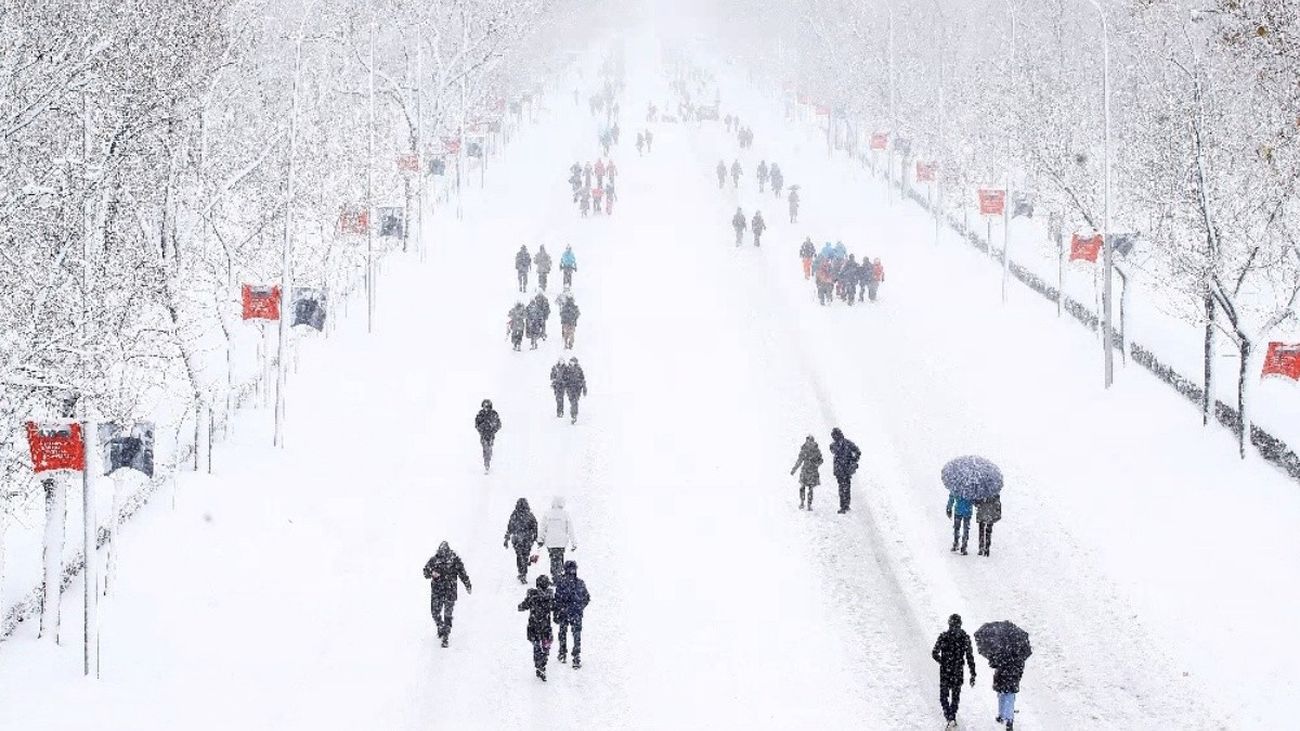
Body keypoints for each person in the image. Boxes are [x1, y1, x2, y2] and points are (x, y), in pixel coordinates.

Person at [932, 613, 977, 728]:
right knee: (955, 697)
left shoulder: (944, 636)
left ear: (949, 623)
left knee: (944, 696)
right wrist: (973, 673)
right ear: (960, 624)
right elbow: (970, 657)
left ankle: (949, 717)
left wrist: (943, 662)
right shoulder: (965, 637)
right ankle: (952, 716)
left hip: (945, 671)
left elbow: (934, 653)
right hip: (958, 670)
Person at [423, 541, 472, 648]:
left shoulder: (454, 560)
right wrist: (431, 573)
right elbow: (425, 572)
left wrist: (467, 584)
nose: (443, 554)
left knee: (448, 615)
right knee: (435, 612)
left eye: (445, 552)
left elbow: (462, 573)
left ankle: (446, 636)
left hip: (450, 591)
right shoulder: (434, 560)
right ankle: (440, 626)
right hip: (437, 592)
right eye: (441, 552)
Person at [517, 574, 555, 681]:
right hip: (546, 627)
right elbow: (555, 607)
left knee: (536, 647)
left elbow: (522, 607)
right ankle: (543, 663)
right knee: (546, 647)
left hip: (534, 626)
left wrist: (525, 602)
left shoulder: (533, 597)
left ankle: (539, 665)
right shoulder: (549, 597)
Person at [554, 560, 591, 668]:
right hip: (576, 613)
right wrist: (580, 607)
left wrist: (557, 611)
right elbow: (587, 598)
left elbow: (557, 599)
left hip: (563, 612)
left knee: (562, 633)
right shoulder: (580, 583)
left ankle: (562, 653)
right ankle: (576, 657)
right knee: (576, 635)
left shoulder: (561, 582)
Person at [990, 642, 1030, 729]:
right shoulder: (1019, 649)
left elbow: (993, 664)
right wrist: (1019, 674)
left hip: (1001, 676)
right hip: (1013, 676)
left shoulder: (1000, 647)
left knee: (1001, 695)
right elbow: (1021, 665)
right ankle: (1009, 720)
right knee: (1010, 697)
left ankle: (1001, 715)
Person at [537, 496, 577, 580]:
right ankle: (559, 574)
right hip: (561, 542)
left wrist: (540, 539)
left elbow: (543, 528)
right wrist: (574, 543)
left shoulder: (547, 514)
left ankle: (555, 575)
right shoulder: (565, 514)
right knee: (560, 557)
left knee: (553, 558)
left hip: (550, 542)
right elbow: (570, 529)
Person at [504, 498, 538, 584]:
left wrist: (507, 538)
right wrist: (535, 537)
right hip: (527, 539)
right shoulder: (529, 515)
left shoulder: (514, 514)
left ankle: (521, 572)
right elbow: (535, 526)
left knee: (519, 556)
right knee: (525, 556)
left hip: (517, 539)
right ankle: (524, 573)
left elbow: (510, 527)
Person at [829, 428, 861, 513]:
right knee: (845, 487)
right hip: (843, 470)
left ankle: (844, 506)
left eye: (834, 435)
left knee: (843, 488)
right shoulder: (844, 443)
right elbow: (857, 451)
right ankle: (845, 505)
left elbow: (857, 452)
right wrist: (853, 460)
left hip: (844, 469)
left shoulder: (843, 444)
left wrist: (853, 460)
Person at [789, 435, 823, 510]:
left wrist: (794, 470)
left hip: (806, 470)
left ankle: (802, 502)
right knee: (810, 488)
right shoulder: (816, 450)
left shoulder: (805, 449)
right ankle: (809, 505)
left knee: (802, 487)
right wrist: (816, 464)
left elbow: (799, 461)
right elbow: (821, 460)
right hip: (813, 471)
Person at [474, 399, 501, 473]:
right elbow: (476, 424)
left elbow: (498, 424)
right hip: (483, 435)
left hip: (491, 435)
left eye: (487, 406)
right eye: (485, 406)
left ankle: (488, 462)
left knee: (489, 449)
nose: (486, 408)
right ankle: (486, 465)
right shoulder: (480, 414)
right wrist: (481, 430)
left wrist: (493, 430)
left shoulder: (493, 414)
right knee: (485, 449)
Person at [561, 356, 587, 423]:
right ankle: (573, 414)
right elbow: (563, 378)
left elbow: (583, 379)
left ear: (576, 362)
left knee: (575, 402)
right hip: (569, 388)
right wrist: (565, 384)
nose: (572, 363)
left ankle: (574, 415)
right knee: (572, 402)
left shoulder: (579, 369)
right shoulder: (567, 369)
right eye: (571, 361)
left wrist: (584, 388)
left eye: (573, 362)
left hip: (577, 388)